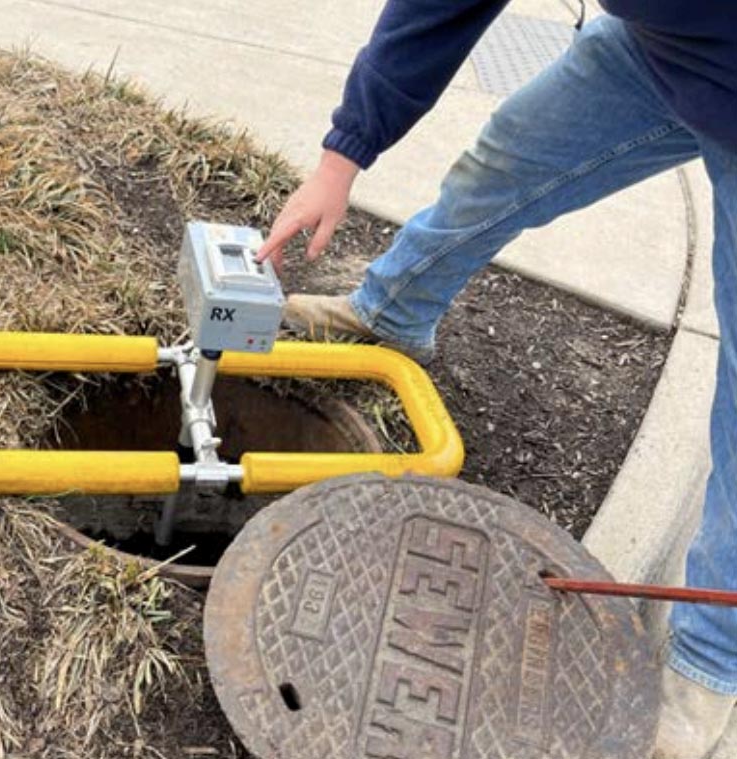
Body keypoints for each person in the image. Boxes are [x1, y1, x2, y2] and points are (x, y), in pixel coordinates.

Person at [255, 2, 737, 757]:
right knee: (504, 161)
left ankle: (711, 662)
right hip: (658, 54)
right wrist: (341, 157)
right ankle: (393, 311)